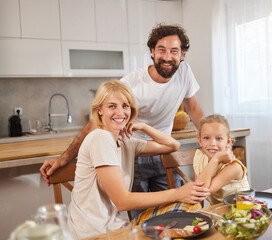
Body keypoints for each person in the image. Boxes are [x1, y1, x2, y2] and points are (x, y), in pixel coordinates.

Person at [40, 24, 204, 217]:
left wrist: (209, 139)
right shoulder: (131, 83)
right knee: (142, 220)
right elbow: (95, 124)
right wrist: (64, 158)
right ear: (152, 51)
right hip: (132, 154)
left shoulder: (184, 73)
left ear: (182, 54)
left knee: (176, 215)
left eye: (174, 51)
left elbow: (193, 109)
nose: (167, 57)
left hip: (162, 151)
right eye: (161, 50)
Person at [67, 80, 209, 239]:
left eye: (125, 106)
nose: (120, 112)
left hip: (116, 226)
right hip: (94, 233)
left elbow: (173, 145)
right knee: (182, 213)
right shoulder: (101, 138)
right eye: (112, 106)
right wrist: (178, 193)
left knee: (184, 212)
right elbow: (122, 201)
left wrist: (144, 127)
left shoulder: (125, 142)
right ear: (100, 110)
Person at [193, 114, 250, 205]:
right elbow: (198, 195)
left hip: (240, 211)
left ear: (228, 141)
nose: (212, 143)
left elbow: (201, 192)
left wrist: (216, 159)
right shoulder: (199, 158)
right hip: (218, 212)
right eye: (206, 138)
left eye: (219, 138)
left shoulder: (234, 167)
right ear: (200, 141)